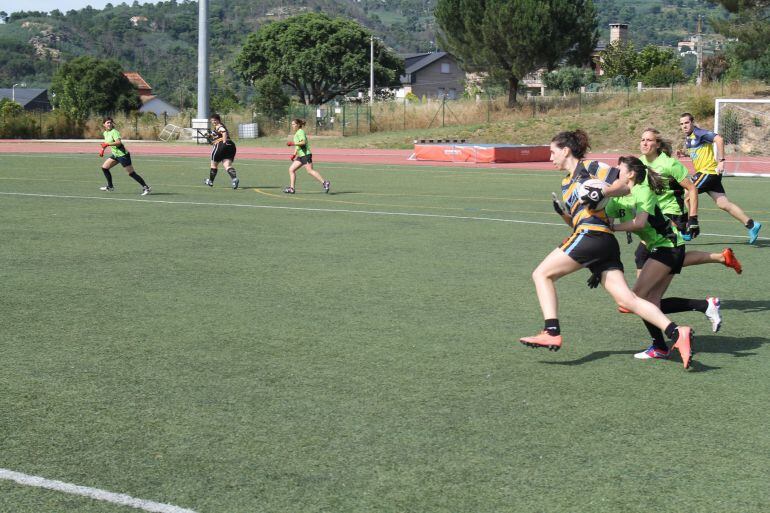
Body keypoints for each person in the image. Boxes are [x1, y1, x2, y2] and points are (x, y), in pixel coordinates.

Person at [519, 130, 694, 369]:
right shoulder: (565, 183)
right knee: (627, 300)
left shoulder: (591, 167)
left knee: (541, 274)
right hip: (597, 240)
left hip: (592, 235)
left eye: (552, 152)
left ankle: (551, 330)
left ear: (566, 150)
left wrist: (602, 191)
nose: (551, 158)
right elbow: (577, 220)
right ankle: (676, 332)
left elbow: (626, 185)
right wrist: (563, 213)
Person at [607, 156, 722, 360]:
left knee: (635, 300)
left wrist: (613, 227)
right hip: (661, 247)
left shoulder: (643, 190)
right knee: (652, 303)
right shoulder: (616, 199)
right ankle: (703, 307)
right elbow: (602, 223)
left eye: (620, 169)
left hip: (669, 246)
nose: (616, 171)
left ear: (631, 174)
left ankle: (667, 340)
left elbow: (640, 223)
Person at [637, 127, 742, 274]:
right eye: (643, 140)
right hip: (654, 215)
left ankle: (639, 295)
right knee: (669, 259)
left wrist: (693, 218)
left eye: (649, 140)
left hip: (672, 214)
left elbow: (692, 189)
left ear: (658, 145)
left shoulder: (669, 164)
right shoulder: (639, 163)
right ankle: (722, 257)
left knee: (644, 256)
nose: (645, 143)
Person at [678, 113, 762, 243]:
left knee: (688, 194)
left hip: (708, 172)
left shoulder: (700, 133)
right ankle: (751, 224)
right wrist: (683, 154)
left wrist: (722, 160)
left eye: (686, 123)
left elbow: (719, 139)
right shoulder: (688, 139)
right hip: (709, 175)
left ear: (692, 122)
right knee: (723, 204)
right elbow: (698, 153)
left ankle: (691, 228)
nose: (684, 126)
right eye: (682, 124)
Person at [98, 117, 151, 196]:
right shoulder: (105, 133)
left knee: (131, 173)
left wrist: (107, 144)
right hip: (116, 155)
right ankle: (110, 186)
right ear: (104, 124)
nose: (109, 124)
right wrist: (102, 150)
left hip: (123, 155)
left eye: (110, 122)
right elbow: (106, 143)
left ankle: (146, 187)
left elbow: (118, 142)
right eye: (107, 123)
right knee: (104, 168)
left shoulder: (114, 132)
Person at [283, 119, 330, 194]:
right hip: (301, 156)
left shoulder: (300, 132)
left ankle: (325, 182)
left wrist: (292, 144)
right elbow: (298, 146)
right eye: (292, 124)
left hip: (305, 155)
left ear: (298, 125)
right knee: (291, 169)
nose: (292, 126)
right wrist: (294, 154)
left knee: (310, 171)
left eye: (294, 124)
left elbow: (303, 142)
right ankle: (292, 188)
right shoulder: (296, 133)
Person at [204, 114, 239, 189]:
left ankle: (210, 181)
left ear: (218, 120)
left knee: (213, 165)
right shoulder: (216, 129)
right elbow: (213, 138)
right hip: (231, 146)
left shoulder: (220, 126)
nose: (213, 122)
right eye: (212, 120)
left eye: (215, 120)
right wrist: (209, 137)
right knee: (227, 165)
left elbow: (223, 132)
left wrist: (223, 142)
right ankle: (234, 179)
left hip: (222, 145)